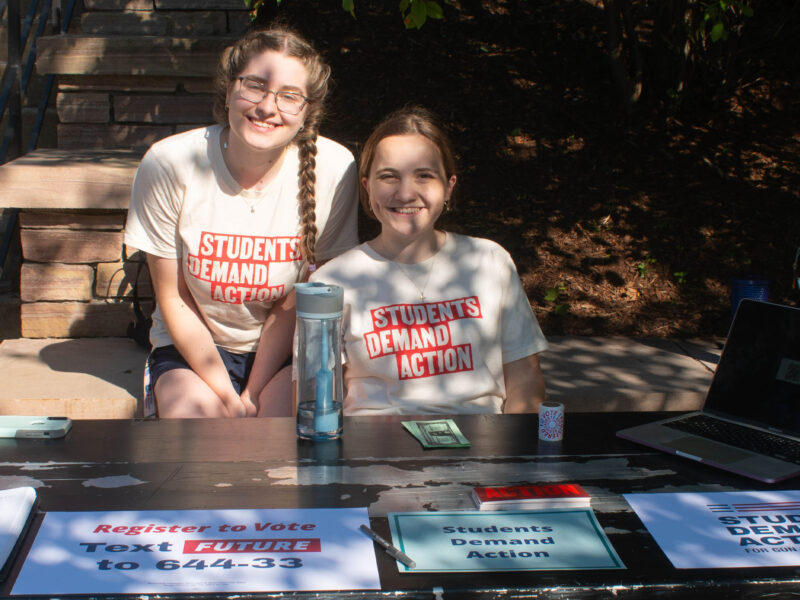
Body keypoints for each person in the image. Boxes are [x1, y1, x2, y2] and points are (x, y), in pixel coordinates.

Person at [124, 26, 359, 418]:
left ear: (307, 110)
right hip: (189, 350)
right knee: (200, 450)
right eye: (255, 85)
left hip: (284, 352)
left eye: (289, 96)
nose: (268, 107)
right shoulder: (169, 163)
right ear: (229, 89)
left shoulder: (333, 169)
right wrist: (228, 397)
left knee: (287, 449)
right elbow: (173, 298)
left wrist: (252, 392)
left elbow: (299, 300)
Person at [310, 106, 547, 415]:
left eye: (424, 176)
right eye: (389, 176)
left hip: (482, 449)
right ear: (367, 187)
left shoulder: (489, 262)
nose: (406, 193)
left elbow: (525, 382)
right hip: (375, 454)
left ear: (448, 186)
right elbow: (316, 402)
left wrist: (514, 458)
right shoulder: (332, 283)